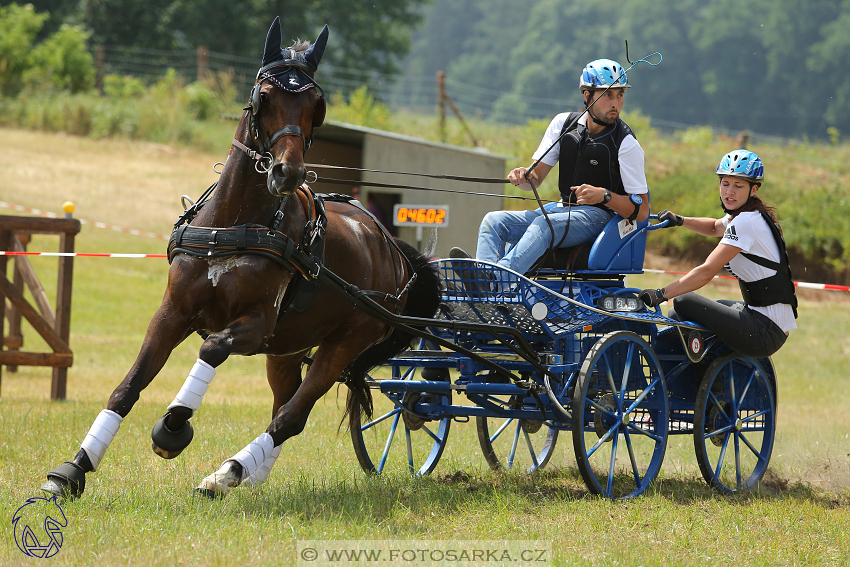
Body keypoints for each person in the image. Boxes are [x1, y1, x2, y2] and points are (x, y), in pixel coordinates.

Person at [450, 59, 650, 275]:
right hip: (563, 210)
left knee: (545, 225)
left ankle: (496, 282)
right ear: (587, 96)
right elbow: (534, 178)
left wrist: (605, 196)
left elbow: (642, 212)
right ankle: (483, 281)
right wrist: (523, 176)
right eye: (608, 95)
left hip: (601, 218)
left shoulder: (627, 144)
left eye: (620, 95)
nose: (615, 104)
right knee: (494, 222)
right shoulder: (562, 125)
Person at [639, 150, 797, 358]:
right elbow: (714, 227)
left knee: (684, 302)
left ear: (753, 189)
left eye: (738, 186)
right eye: (725, 184)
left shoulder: (746, 222)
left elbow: (707, 271)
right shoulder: (748, 215)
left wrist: (661, 294)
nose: (729, 192)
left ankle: (697, 370)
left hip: (765, 331)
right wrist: (680, 220)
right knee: (678, 314)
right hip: (764, 320)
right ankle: (697, 368)